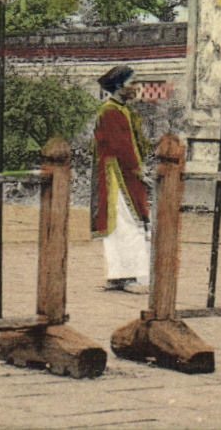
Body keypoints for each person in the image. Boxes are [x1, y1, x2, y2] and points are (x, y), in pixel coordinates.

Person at [91, 65, 152, 292]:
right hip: (118, 176)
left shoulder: (120, 110)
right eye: (130, 83)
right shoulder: (110, 111)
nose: (134, 88)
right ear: (118, 87)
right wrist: (138, 170)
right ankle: (129, 275)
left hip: (121, 173)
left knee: (122, 224)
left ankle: (119, 275)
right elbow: (121, 147)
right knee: (127, 224)